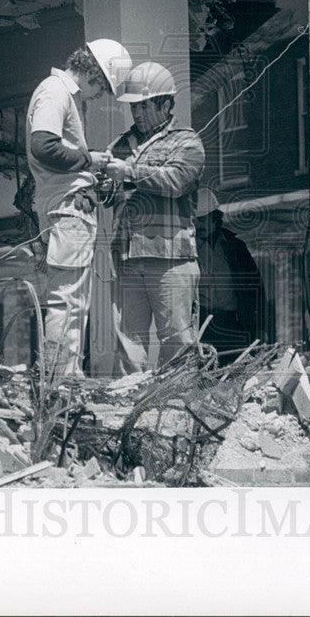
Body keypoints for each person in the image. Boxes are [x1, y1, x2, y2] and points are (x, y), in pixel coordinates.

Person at [25, 38, 131, 378]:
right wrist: (90, 159)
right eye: (103, 87)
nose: (100, 95)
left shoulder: (60, 94)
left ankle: (66, 375)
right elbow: (43, 146)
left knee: (73, 302)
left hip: (67, 206)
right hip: (67, 210)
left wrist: (87, 172)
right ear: (95, 73)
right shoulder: (55, 92)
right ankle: (62, 379)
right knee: (68, 301)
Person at [104, 62, 205, 374]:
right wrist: (102, 185)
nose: (138, 114)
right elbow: (106, 196)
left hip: (170, 256)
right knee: (128, 342)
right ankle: (130, 408)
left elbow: (176, 182)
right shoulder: (119, 145)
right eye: (134, 106)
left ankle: (177, 404)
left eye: (145, 106)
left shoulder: (186, 141)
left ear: (166, 103)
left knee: (177, 339)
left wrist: (129, 172)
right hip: (127, 255)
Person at [194, 187, 267, 359]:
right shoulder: (189, 249)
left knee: (237, 372)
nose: (200, 225)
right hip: (203, 326)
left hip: (233, 323)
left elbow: (255, 288)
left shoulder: (234, 247)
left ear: (215, 218)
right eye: (197, 221)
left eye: (204, 220)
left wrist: (261, 327)